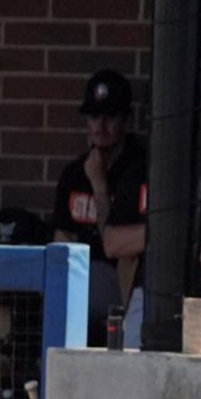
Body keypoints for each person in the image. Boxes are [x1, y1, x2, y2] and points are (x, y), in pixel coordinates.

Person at [51, 69, 148, 348]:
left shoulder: (138, 168)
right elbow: (61, 238)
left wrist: (99, 186)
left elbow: (113, 244)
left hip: (122, 279)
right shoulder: (74, 173)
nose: (101, 126)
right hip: (82, 273)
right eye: (94, 117)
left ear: (126, 120)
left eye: (110, 116)